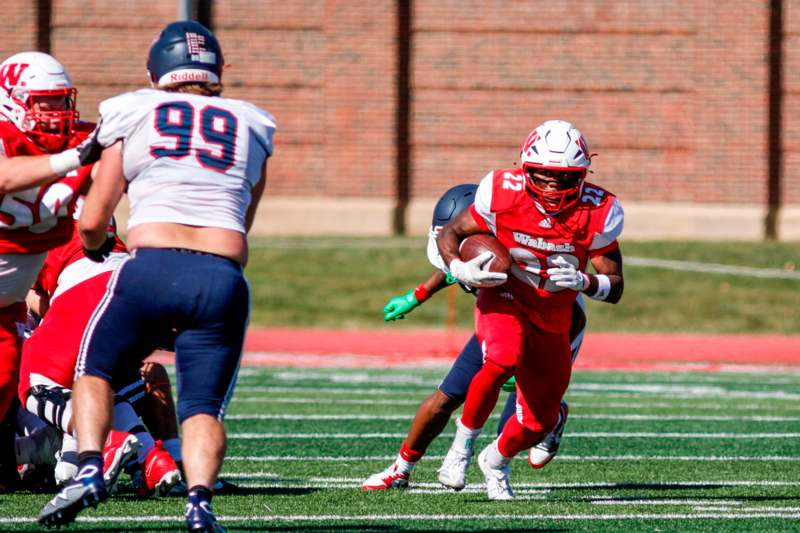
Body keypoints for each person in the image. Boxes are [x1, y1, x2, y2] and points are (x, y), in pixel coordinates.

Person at [37, 21, 275, 532]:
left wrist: (97, 249)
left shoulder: (136, 110)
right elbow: (243, 219)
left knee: (95, 370)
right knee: (202, 406)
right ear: (219, 71)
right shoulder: (255, 124)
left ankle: (89, 467)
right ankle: (199, 502)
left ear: (154, 72)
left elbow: (92, 219)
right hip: (220, 275)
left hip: (149, 267)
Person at [437, 120, 624, 500]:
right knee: (503, 357)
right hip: (507, 294)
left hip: (553, 314)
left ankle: (495, 460)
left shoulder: (600, 210)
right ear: (525, 168)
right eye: (543, 175)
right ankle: (460, 448)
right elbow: (450, 234)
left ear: (582, 174)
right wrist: (459, 267)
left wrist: (584, 282)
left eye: (563, 177)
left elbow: (616, 286)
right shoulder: (502, 191)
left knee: (541, 420)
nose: (553, 185)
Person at [362, 184, 586, 490]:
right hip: (503, 323)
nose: (449, 239)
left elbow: (569, 313)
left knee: (520, 421)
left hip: (554, 327)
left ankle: (551, 416)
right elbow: (452, 267)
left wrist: (533, 364)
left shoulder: (517, 254)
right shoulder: (465, 244)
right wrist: (417, 295)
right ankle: (400, 469)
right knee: (446, 397)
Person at [18, 209, 181, 495]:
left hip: (84, 290)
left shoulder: (30, 208)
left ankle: (102, 441)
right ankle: (153, 459)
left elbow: (31, 295)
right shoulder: (84, 197)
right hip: (131, 282)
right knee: (94, 381)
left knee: (30, 379)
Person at [0, 51, 97, 491]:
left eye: (61, 102)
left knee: (6, 380)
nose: (56, 113)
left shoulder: (78, 140)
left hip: (10, 303)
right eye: (44, 102)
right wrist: (74, 158)